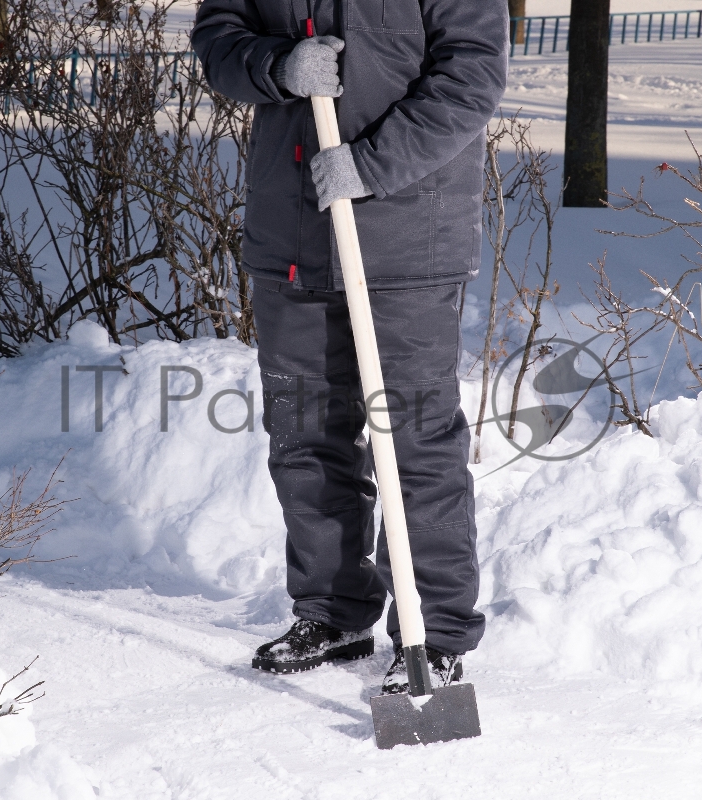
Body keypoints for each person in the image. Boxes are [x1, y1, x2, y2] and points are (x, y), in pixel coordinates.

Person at [192, 0, 508, 693]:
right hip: (293, 233)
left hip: (407, 235)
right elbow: (218, 38)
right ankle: (332, 610)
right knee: (304, 432)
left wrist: (372, 164)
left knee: (414, 440)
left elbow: (473, 73)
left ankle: (437, 634)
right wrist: (277, 65)